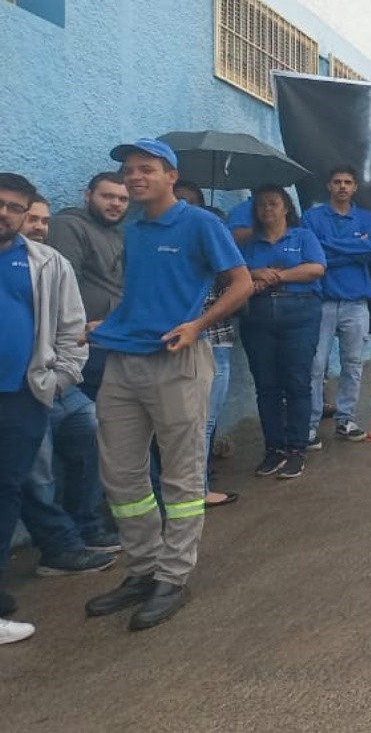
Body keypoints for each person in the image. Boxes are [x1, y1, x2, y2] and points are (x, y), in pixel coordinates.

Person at [83, 139, 252, 633]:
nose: (135, 177)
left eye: (146, 169)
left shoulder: (201, 223)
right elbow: (141, 295)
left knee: (180, 477)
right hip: (123, 360)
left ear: (170, 176)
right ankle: (142, 569)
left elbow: (240, 283)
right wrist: (106, 323)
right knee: (122, 475)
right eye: (129, 170)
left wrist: (198, 325)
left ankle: (173, 579)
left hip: (177, 361)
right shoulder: (133, 229)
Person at [0, 172, 89, 644]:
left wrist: (56, 383)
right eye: (1, 203)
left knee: (7, 491)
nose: (6, 213)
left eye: (16, 207)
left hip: (21, 397)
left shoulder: (47, 263)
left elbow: (72, 331)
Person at [15, 191, 115, 577]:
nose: (39, 226)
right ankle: (57, 548)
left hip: (57, 384)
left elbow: (72, 325)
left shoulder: (51, 264)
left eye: (44, 220)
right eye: (32, 219)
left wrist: (63, 377)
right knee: (37, 469)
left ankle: (84, 525)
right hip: (18, 391)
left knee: (91, 431)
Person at [241, 185, 328, 481]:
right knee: (266, 386)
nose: (267, 209)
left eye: (273, 204)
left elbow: (316, 269)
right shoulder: (250, 244)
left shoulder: (302, 236)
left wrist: (277, 276)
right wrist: (254, 274)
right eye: (262, 205)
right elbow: (235, 272)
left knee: (297, 382)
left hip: (300, 314)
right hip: (259, 318)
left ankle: (296, 450)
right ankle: (274, 448)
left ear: (286, 208)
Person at [173, 181, 240, 508]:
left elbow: (237, 287)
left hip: (219, 341)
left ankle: (199, 481)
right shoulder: (173, 249)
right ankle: (195, 489)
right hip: (190, 343)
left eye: (193, 203)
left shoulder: (215, 244)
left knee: (207, 419)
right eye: (181, 202)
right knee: (197, 421)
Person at [302, 166, 371, 442]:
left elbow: (368, 250)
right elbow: (314, 254)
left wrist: (331, 248)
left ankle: (345, 420)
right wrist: (350, 247)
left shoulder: (366, 218)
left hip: (356, 303)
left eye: (348, 182)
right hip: (321, 302)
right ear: (329, 185)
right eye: (337, 182)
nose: (343, 187)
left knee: (353, 363)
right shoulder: (312, 217)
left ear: (355, 187)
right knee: (315, 365)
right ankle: (310, 425)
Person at [46, 171, 129, 398]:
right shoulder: (68, 226)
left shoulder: (118, 236)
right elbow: (63, 287)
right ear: (88, 195)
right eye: (108, 196)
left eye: (123, 199)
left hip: (112, 341)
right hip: (82, 343)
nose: (116, 204)